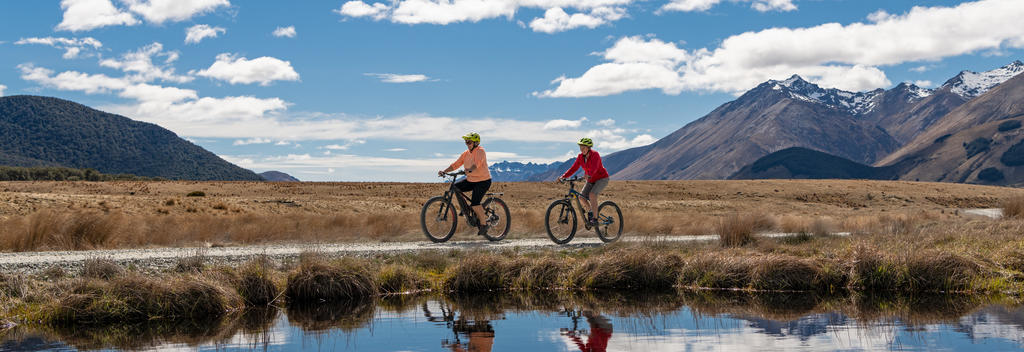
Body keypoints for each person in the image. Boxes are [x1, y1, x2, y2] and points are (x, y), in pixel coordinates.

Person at [439, 132, 492, 236]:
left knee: (475, 204)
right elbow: (456, 164)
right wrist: (445, 171)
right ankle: (465, 209)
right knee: (455, 187)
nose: (467, 144)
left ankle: (484, 224)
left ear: (476, 143)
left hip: (483, 181)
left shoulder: (480, 151)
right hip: (471, 180)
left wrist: (469, 170)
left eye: (469, 142)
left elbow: (477, 164)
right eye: (466, 142)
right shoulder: (466, 153)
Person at [557, 138, 609, 225]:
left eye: (584, 147)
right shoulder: (580, 157)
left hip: (601, 178)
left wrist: (589, 174)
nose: (582, 149)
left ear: (589, 147)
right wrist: (563, 176)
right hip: (590, 179)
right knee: (581, 197)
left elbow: (595, 167)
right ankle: (591, 213)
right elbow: (574, 168)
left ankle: (595, 219)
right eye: (580, 147)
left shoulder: (595, 155)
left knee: (592, 195)